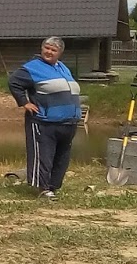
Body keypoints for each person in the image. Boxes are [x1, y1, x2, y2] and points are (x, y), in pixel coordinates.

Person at [7, 36, 82, 198]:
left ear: (60, 53)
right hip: (44, 122)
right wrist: (24, 102)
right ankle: (43, 188)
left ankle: (53, 186)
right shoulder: (33, 67)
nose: (49, 52)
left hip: (68, 122)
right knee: (44, 156)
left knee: (62, 157)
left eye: (53, 50)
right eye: (46, 48)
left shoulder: (62, 68)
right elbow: (14, 81)